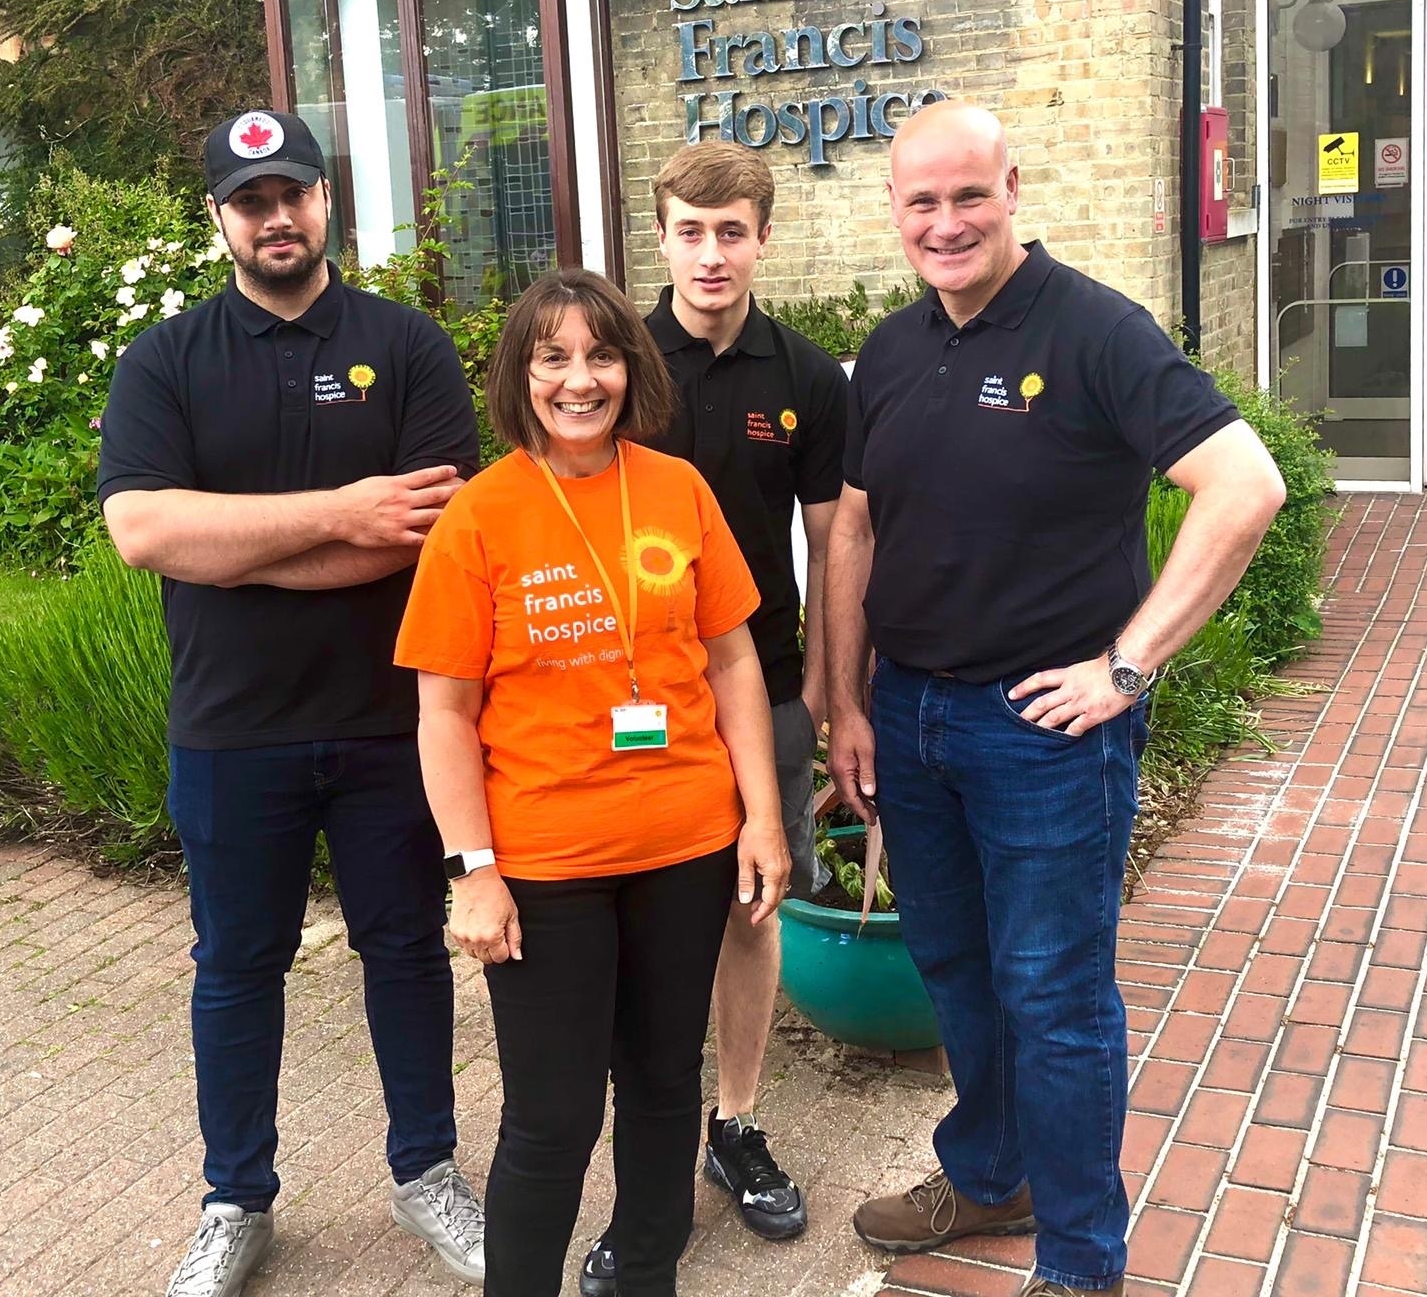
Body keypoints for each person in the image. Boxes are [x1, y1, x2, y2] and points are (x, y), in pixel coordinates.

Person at [826, 101, 1286, 1297]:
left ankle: (1081, 1265)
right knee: (955, 967)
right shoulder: (889, 347)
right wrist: (848, 703)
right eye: (920, 201)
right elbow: (857, 532)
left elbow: (1243, 485)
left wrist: (1128, 664)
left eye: (967, 194)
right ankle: (988, 1177)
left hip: (1041, 733)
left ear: (1013, 188)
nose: (945, 222)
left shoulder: (1095, 332)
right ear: (893, 210)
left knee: (1056, 994)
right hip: (912, 720)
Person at [99, 109, 487, 1297]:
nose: (277, 217)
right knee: (235, 965)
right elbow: (143, 531)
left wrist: (231, 545)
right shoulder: (166, 360)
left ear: (326, 201)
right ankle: (236, 1200)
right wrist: (335, 513)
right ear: (218, 215)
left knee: (406, 952)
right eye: (251, 199)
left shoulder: (405, 345)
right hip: (230, 728)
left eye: (295, 193)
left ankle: (427, 1175)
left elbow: (427, 529)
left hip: (389, 721)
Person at [393, 268, 790, 1297]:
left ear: (631, 366)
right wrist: (471, 869)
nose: (581, 379)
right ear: (519, 375)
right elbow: (443, 712)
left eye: (601, 354)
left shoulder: (677, 488)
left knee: (663, 1087)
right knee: (552, 1116)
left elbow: (734, 659)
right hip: (546, 864)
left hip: (686, 845)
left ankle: (642, 1274)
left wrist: (761, 817)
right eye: (553, 357)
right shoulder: (479, 517)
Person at [578, 141, 845, 1292]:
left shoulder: (809, 376)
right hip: (634, 700)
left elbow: (834, 543)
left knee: (750, 905)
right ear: (662, 239)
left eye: (730, 231)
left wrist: (832, 686)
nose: (710, 253)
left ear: (762, 239)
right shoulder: (613, 367)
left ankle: (733, 1125)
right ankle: (644, 1169)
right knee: (636, 929)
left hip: (768, 684)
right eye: (689, 231)